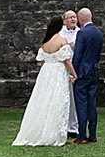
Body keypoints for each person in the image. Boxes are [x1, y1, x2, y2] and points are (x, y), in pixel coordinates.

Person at [11, 10, 78, 146]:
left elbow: (41, 61)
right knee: (58, 101)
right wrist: (74, 74)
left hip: (46, 72)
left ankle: (41, 129)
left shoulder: (45, 43)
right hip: (58, 72)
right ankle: (55, 133)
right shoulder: (61, 40)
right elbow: (66, 60)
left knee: (43, 100)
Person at [67, 7, 104, 144]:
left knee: (81, 103)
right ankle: (93, 134)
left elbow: (78, 55)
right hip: (93, 71)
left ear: (81, 19)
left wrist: (74, 73)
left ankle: (82, 135)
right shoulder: (99, 33)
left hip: (82, 73)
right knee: (92, 103)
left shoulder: (82, 33)